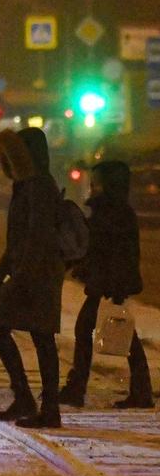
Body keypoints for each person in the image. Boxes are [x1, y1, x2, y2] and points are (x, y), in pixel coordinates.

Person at [0, 127, 65, 428]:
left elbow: (37, 236)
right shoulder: (27, 186)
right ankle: (32, 400)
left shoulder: (39, 187)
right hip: (29, 272)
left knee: (31, 334)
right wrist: (1, 273)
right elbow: (18, 239)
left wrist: (18, 277)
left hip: (38, 274)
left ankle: (44, 406)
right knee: (34, 335)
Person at [60, 160, 153, 409]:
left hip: (108, 283)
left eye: (96, 183)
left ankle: (78, 388)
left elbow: (103, 248)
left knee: (96, 331)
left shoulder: (111, 213)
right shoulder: (116, 210)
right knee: (122, 334)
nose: (92, 187)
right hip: (109, 282)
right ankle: (140, 390)